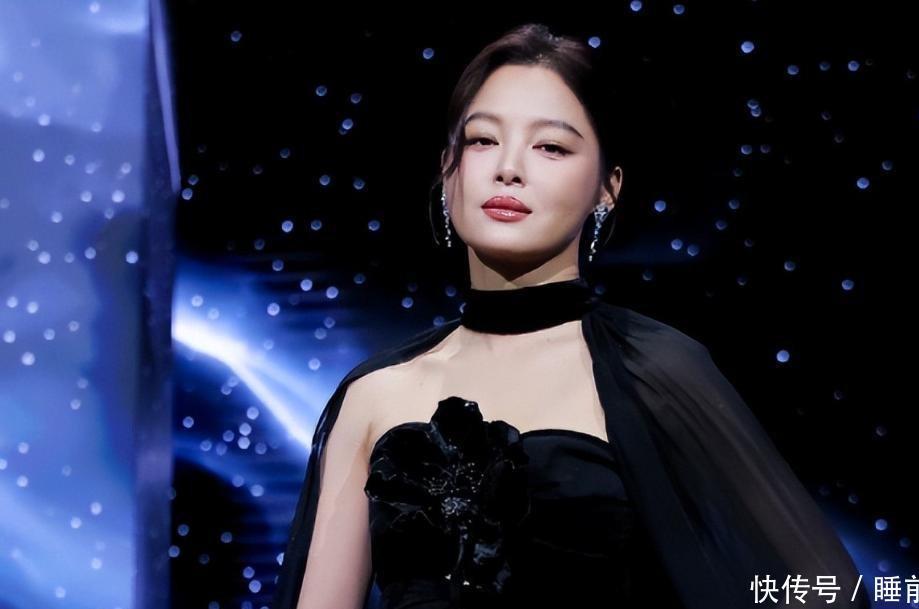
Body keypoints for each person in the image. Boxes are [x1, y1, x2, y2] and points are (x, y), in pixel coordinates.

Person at [272, 23, 871, 609]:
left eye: (551, 147)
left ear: (607, 188)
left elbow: (820, 587)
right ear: (447, 168)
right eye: (482, 140)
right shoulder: (373, 394)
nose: (508, 167)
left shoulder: (655, 374)